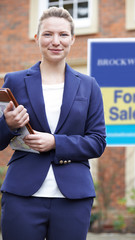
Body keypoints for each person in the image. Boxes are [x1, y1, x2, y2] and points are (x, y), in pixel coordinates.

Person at [0, 7, 106, 240]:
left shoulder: (89, 86)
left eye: (63, 35)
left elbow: (97, 142)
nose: (55, 41)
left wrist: (55, 142)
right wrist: (6, 123)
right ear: (37, 39)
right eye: (48, 34)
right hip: (22, 195)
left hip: (73, 197)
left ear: (72, 39)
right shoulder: (14, 81)